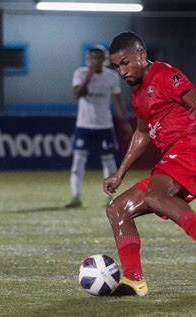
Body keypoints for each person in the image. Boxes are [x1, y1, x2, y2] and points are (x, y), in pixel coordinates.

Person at [104, 31, 196, 296]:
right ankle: (133, 279)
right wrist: (120, 173)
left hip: (191, 152)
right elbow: (142, 133)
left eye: (125, 63)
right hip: (172, 159)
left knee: (155, 193)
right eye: (117, 67)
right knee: (118, 209)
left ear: (141, 54)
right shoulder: (138, 94)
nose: (122, 71)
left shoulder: (164, 74)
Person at [65, 45, 132, 208]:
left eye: (98, 58)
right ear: (88, 59)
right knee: (78, 163)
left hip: (104, 126)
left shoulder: (111, 77)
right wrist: (89, 75)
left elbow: (117, 100)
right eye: (92, 58)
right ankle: (76, 197)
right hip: (84, 125)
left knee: (109, 163)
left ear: (105, 59)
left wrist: (124, 122)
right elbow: (77, 94)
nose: (94, 61)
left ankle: (110, 197)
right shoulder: (80, 73)